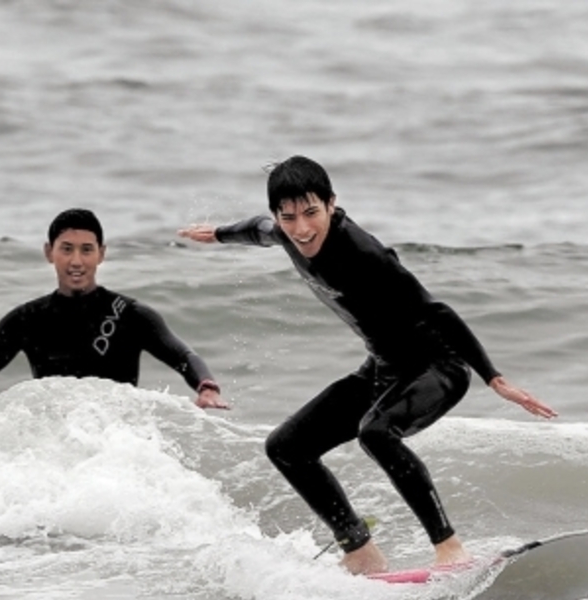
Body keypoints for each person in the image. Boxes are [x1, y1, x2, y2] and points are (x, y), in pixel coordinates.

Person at [179, 156, 554, 575]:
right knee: (286, 448)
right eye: (288, 217)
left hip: (437, 366)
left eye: (311, 214)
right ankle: (359, 550)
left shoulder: (362, 253)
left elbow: (439, 312)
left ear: (331, 204)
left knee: (376, 433)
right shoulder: (283, 232)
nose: (302, 229)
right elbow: (256, 229)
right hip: (384, 367)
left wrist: (494, 378)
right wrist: (217, 235)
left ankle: (450, 549)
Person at [0, 208, 229, 410]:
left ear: (101, 255)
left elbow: (183, 356)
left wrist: (206, 386)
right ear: (49, 253)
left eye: (86, 250)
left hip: (118, 441)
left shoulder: (132, 315)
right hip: (57, 443)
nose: (76, 261)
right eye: (67, 249)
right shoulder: (26, 319)